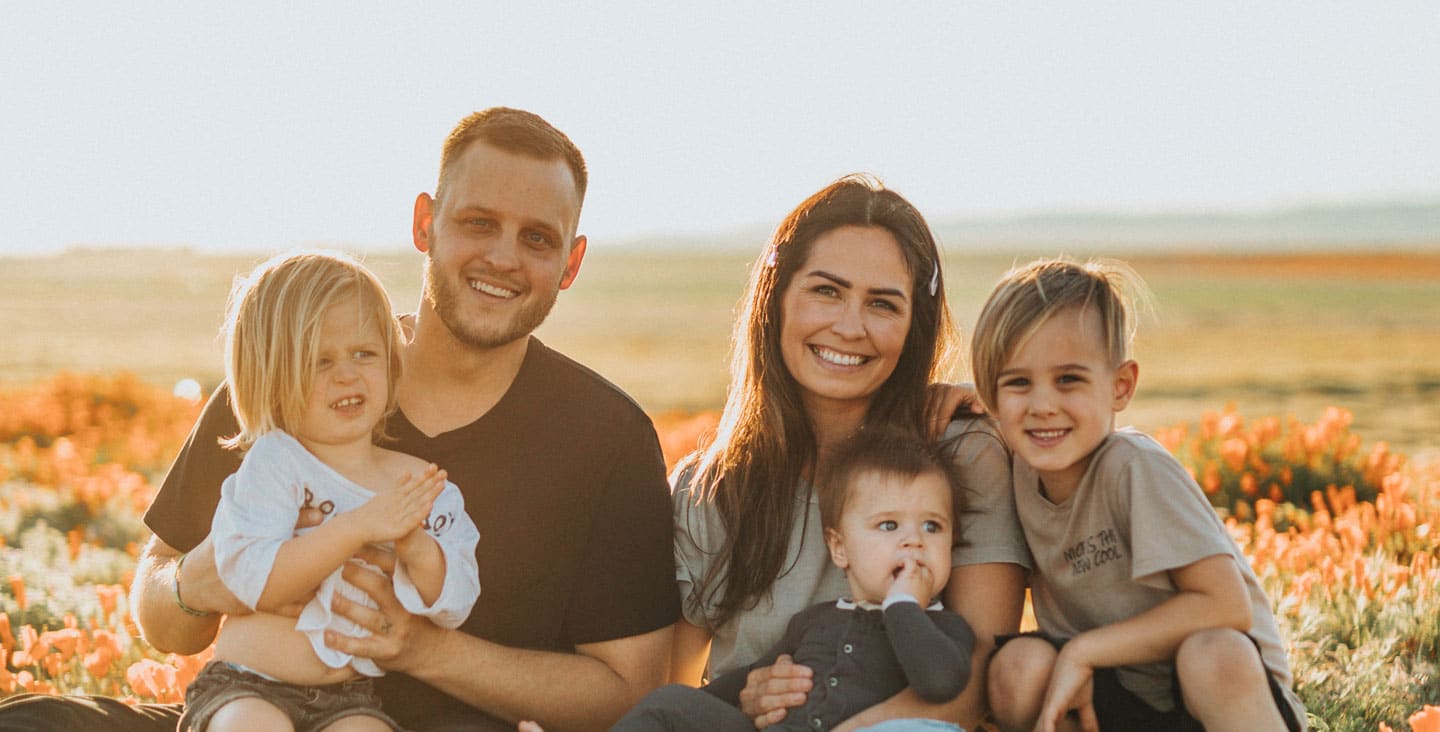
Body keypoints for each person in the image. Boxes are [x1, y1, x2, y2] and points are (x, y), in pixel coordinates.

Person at [0, 107, 679, 731]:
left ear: (571, 263)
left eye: (537, 238)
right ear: (424, 223)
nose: (503, 256)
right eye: (479, 222)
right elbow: (160, 614)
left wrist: (421, 649)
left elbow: (628, 690)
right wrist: (202, 580)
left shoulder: (606, 437)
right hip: (252, 711)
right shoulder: (295, 375)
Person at [669, 175, 1030, 730]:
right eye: (826, 291)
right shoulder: (707, 487)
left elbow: (978, 682)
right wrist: (741, 693)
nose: (849, 327)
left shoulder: (959, 453)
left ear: (915, 327)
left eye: (883, 304)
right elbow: (671, 690)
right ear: (777, 300)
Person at [970, 257, 1306, 732]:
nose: (1043, 406)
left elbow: (1224, 606)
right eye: (1018, 382)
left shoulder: (1134, 468)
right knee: (1017, 668)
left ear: (1121, 386)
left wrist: (1084, 651)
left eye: (1069, 379)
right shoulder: (1017, 470)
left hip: (1216, 699)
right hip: (1118, 698)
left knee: (1211, 653)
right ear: (992, 395)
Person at [179, 250, 481, 732]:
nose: (346, 373)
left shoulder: (416, 480)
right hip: (246, 684)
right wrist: (358, 527)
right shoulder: (275, 463)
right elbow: (257, 580)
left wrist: (414, 546)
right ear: (272, 379)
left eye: (364, 353)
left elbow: (456, 601)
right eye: (319, 361)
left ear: (390, 360)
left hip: (348, 698)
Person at [614, 428, 976, 732]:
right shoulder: (815, 621)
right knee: (670, 704)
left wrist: (904, 604)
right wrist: (715, 703)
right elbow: (751, 677)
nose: (914, 540)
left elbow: (940, 682)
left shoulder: (945, 629)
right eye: (889, 525)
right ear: (840, 548)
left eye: (933, 526)